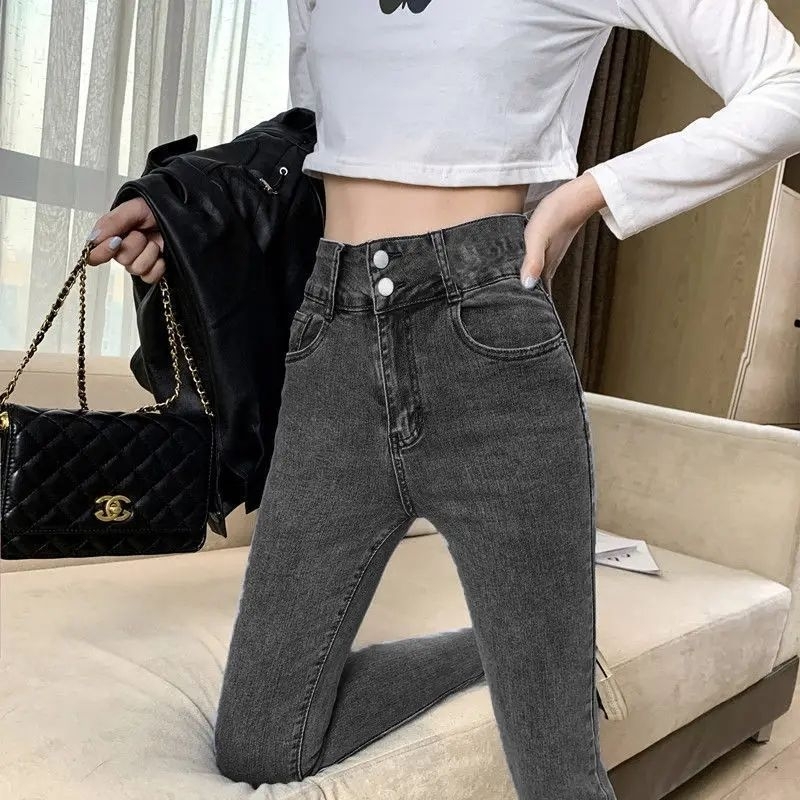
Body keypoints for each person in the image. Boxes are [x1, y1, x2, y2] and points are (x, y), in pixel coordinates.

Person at [87, 2, 800, 797]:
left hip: (488, 340)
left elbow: (787, 86)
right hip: (331, 338)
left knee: (557, 775)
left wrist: (585, 195)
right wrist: (188, 212)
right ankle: (502, 651)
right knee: (259, 747)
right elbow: (317, 136)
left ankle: (538, 660)